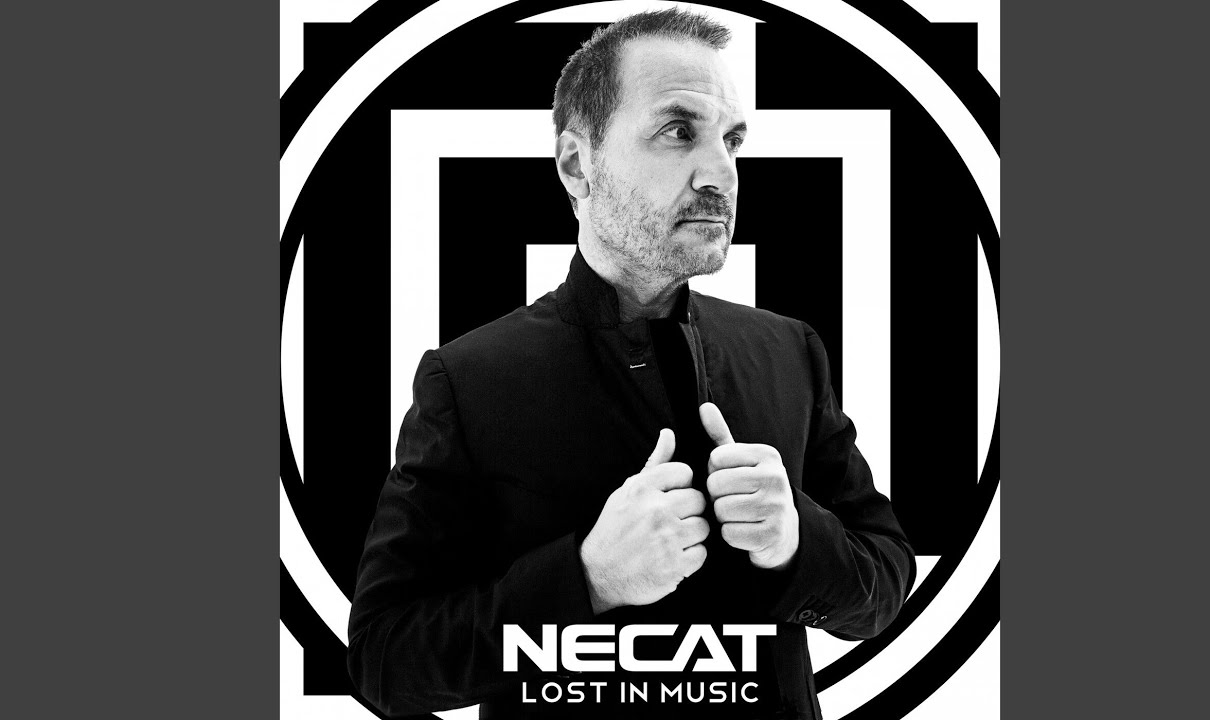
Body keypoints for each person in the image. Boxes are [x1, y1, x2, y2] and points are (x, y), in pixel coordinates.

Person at [348, 9, 914, 719]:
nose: (721, 172)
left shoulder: (788, 351)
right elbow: (383, 660)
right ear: (576, 165)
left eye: (731, 140)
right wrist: (586, 579)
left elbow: (886, 583)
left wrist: (797, 539)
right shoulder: (471, 380)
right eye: (678, 131)